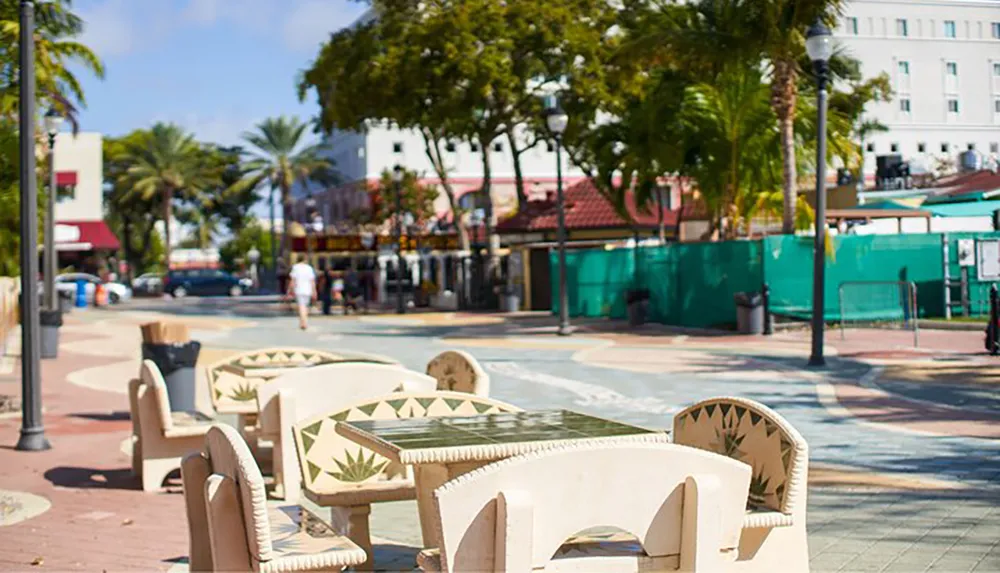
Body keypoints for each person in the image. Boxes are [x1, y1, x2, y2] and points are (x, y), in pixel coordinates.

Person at [287, 256, 317, 330]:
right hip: (308, 289)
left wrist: (290, 289)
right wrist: (314, 291)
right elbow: (312, 281)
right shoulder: (309, 268)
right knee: (305, 306)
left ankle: (303, 322)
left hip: (299, 289)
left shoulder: (295, 268)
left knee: (301, 306)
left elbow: (293, 280)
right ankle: (304, 321)